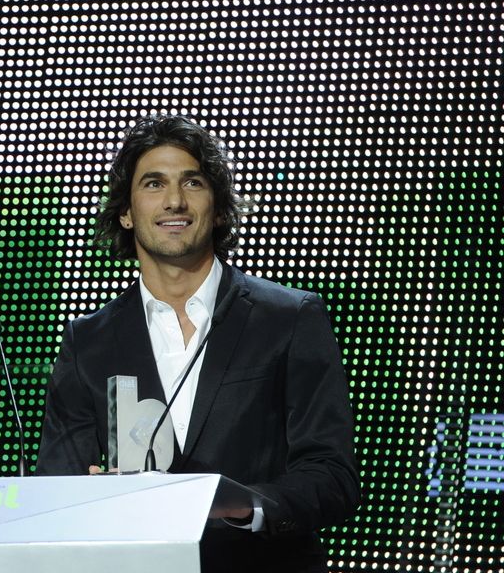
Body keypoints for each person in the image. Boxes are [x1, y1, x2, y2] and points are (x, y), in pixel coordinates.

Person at [35, 115, 360, 572]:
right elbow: (57, 488)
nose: (174, 201)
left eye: (192, 183)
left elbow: (333, 476)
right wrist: (94, 498)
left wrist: (244, 505)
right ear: (126, 212)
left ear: (220, 207)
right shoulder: (89, 340)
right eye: (153, 184)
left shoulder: (288, 317)